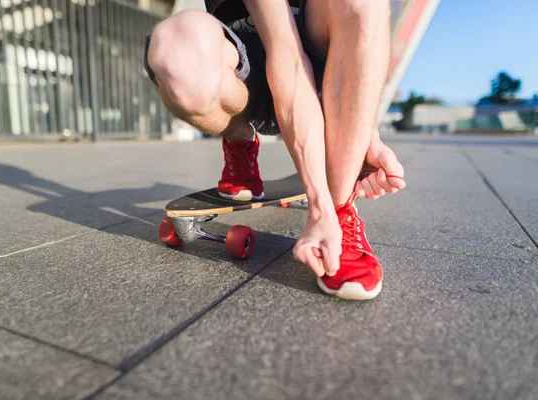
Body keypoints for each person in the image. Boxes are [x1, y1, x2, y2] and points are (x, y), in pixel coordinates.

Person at [144, 0, 406, 300]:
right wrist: (316, 207)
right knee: (174, 42)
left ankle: (341, 211)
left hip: (324, 84)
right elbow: (288, 57)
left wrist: (363, 131)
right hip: (243, 81)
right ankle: (240, 140)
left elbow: (360, 40)